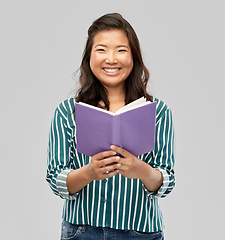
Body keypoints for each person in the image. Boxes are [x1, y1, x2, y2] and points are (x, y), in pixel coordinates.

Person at [46, 13, 175, 240]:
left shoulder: (158, 112)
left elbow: (167, 180)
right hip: (82, 231)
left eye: (121, 50)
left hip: (140, 232)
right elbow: (56, 178)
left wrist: (141, 170)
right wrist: (89, 172)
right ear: (89, 57)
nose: (111, 59)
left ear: (133, 57)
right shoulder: (68, 112)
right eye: (102, 49)